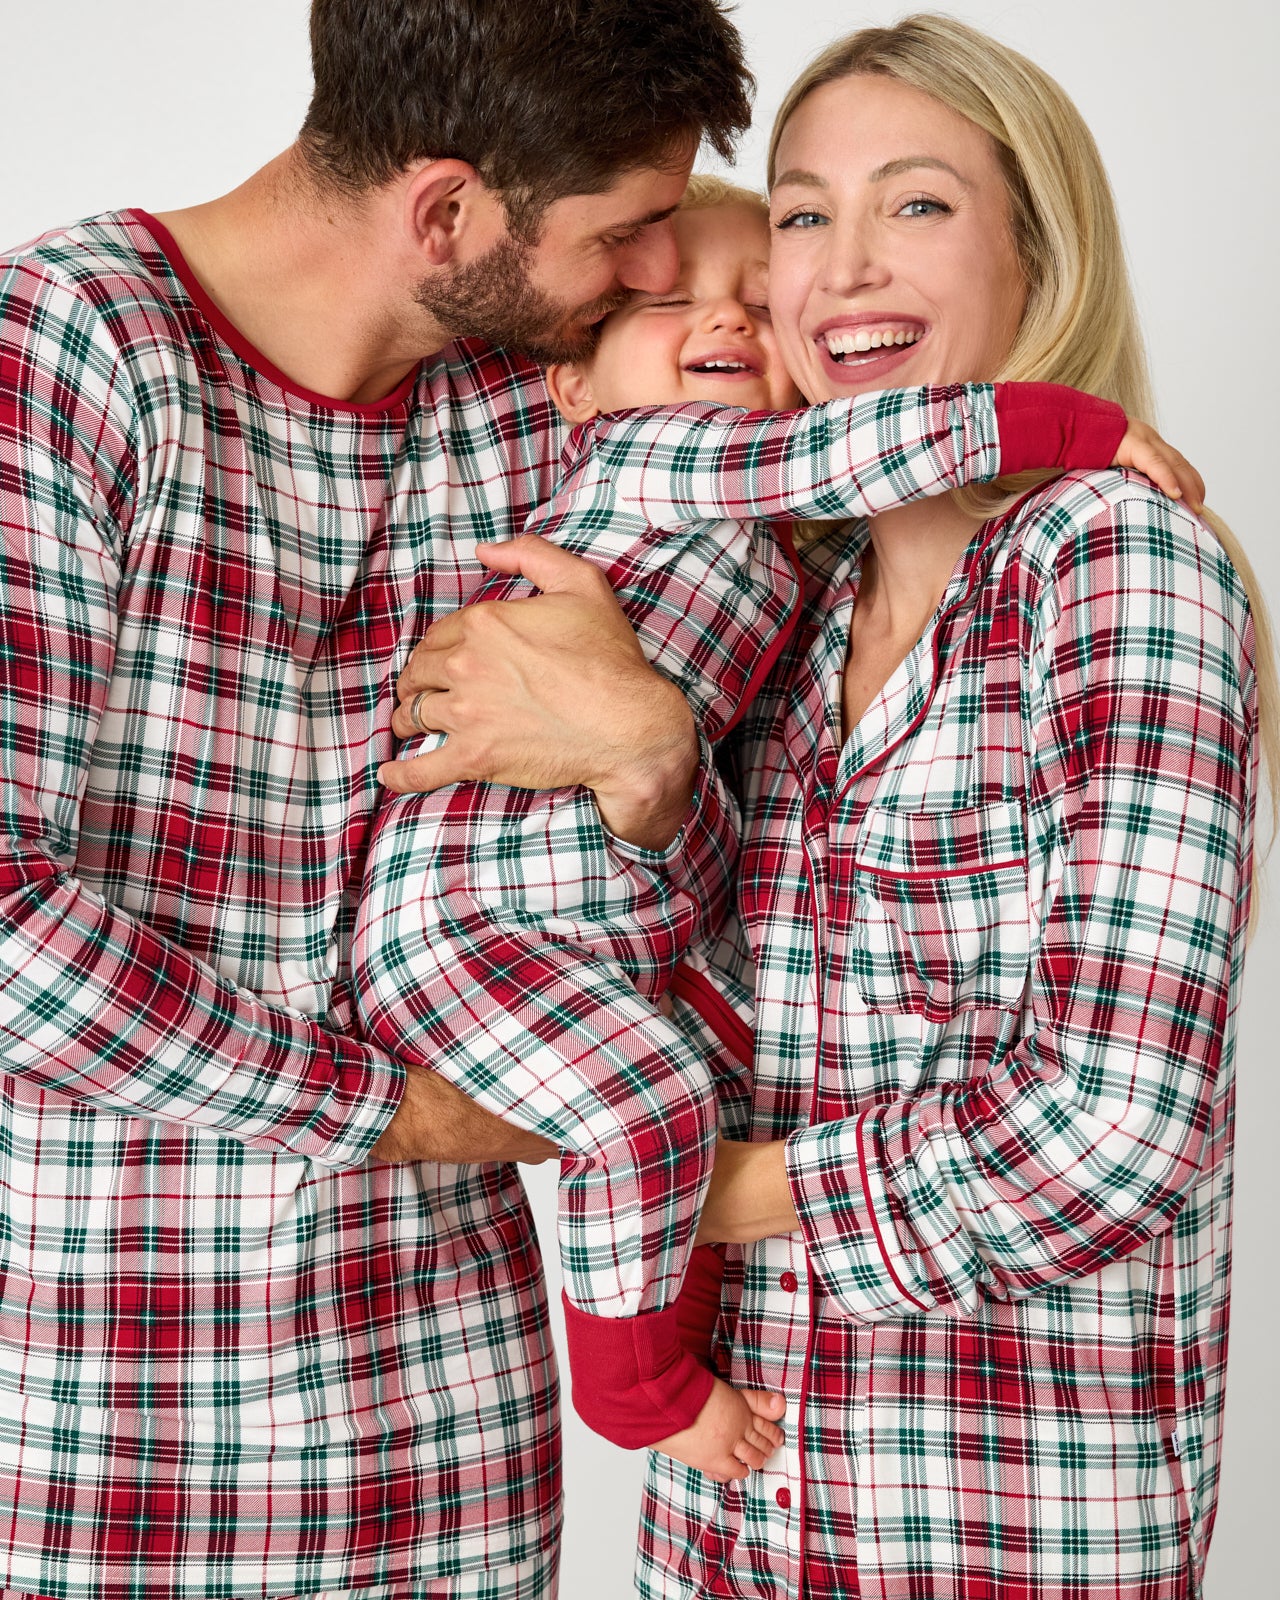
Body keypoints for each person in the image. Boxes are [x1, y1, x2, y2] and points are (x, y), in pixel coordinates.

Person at [382, 13, 1273, 1599]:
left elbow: (1117, 1129)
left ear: (1039, 249)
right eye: (803, 212)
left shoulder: (1112, 564)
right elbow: (701, 964)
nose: (843, 266)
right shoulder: (788, 617)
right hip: (733, 1520)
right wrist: (647, 755)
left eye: (915, 204)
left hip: (995, 1521)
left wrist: (721, 1193)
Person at [0, 4, 765, 1597]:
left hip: (451, 1437)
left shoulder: (544, 404)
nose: (657, 277)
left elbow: (717, 889)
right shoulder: (67, 354)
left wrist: (648, 757)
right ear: (446, 212)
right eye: (625, 234)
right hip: (94, 1418)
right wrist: (392, 1109)